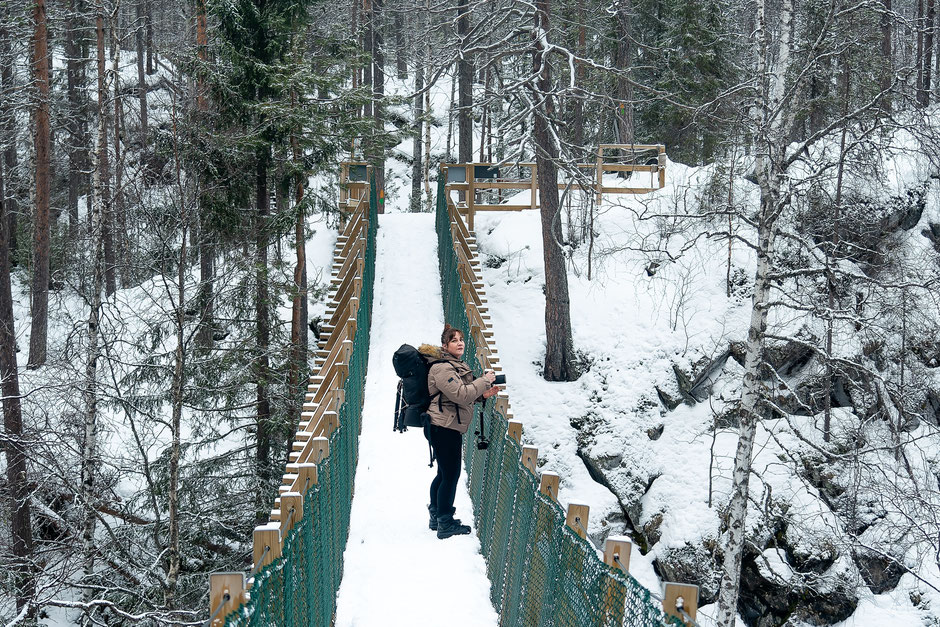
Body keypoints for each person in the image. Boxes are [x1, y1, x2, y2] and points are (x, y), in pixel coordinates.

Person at [419, 323, 499, 539]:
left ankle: (437, 516)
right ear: (444, 345)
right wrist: (484, 381)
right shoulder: (442, 368)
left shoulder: (453, 365)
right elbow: (461, 395)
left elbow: (459, 396)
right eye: (454, 340)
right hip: (443, 427)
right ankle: (445, 522)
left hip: (446, 425)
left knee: (444, 473)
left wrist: (484, 394)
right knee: (451, 475)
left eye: (461, 339)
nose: (460, 343)